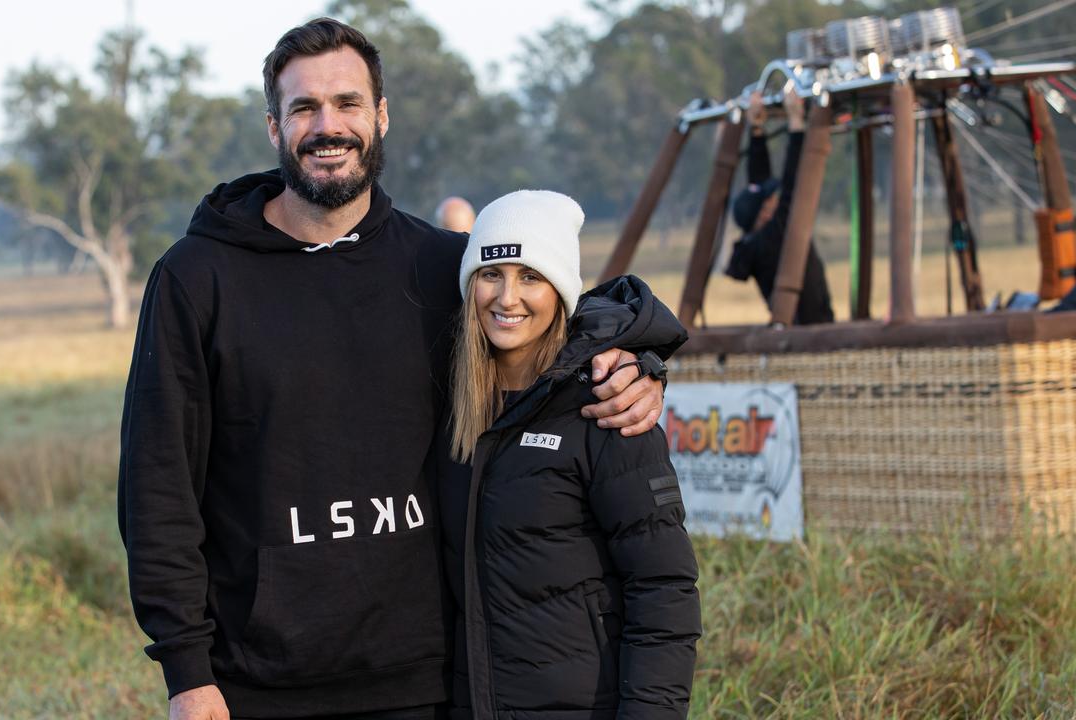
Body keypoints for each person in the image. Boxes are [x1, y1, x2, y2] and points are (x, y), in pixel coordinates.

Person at [117, 18, 668, 720]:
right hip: (259, 681)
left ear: (380, 116)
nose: (328, 126)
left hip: (429, 676)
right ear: (273, 127)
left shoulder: (443, 265)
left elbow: (555, 325)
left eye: (348, 104)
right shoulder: (197, 280)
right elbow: (157, 485)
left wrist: (638, 362)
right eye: (304, 108)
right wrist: (186, 674)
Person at [439, 190, 701, 720]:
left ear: (560, 292)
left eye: (530, 277)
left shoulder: (608, 405)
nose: (507, 297)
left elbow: (663, 589)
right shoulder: (452, 409)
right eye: (491, 274)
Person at [725, 88, 835, 325]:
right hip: (811, 331)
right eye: (769, 200)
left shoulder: (759, 237)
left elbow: (759, 178)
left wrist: (756, 130)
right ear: (765, 212)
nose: (774, 198)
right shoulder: (775, 235)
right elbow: (793, 186)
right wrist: (796, 125)